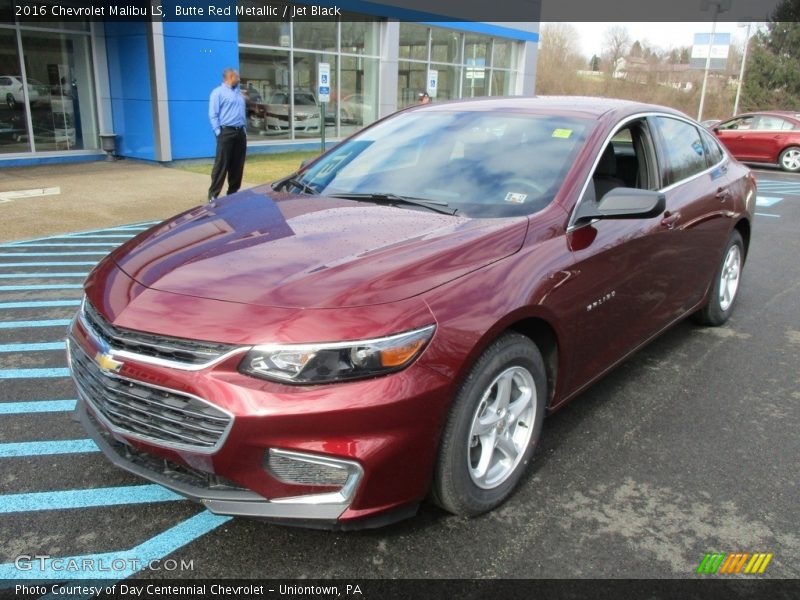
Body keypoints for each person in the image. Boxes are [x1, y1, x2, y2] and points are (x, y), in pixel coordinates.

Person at [208, 67, 247, 201]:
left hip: (240, 133)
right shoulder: (217, 93)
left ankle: (233, 194)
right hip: (226, 132)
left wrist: (244, 131)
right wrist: (219, 133)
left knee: (237, 165)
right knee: (221, 164)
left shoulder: (238, 94)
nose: (239, 79)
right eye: (237, 77)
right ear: (230, 77)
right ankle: (213, 195)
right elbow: (213, 114)